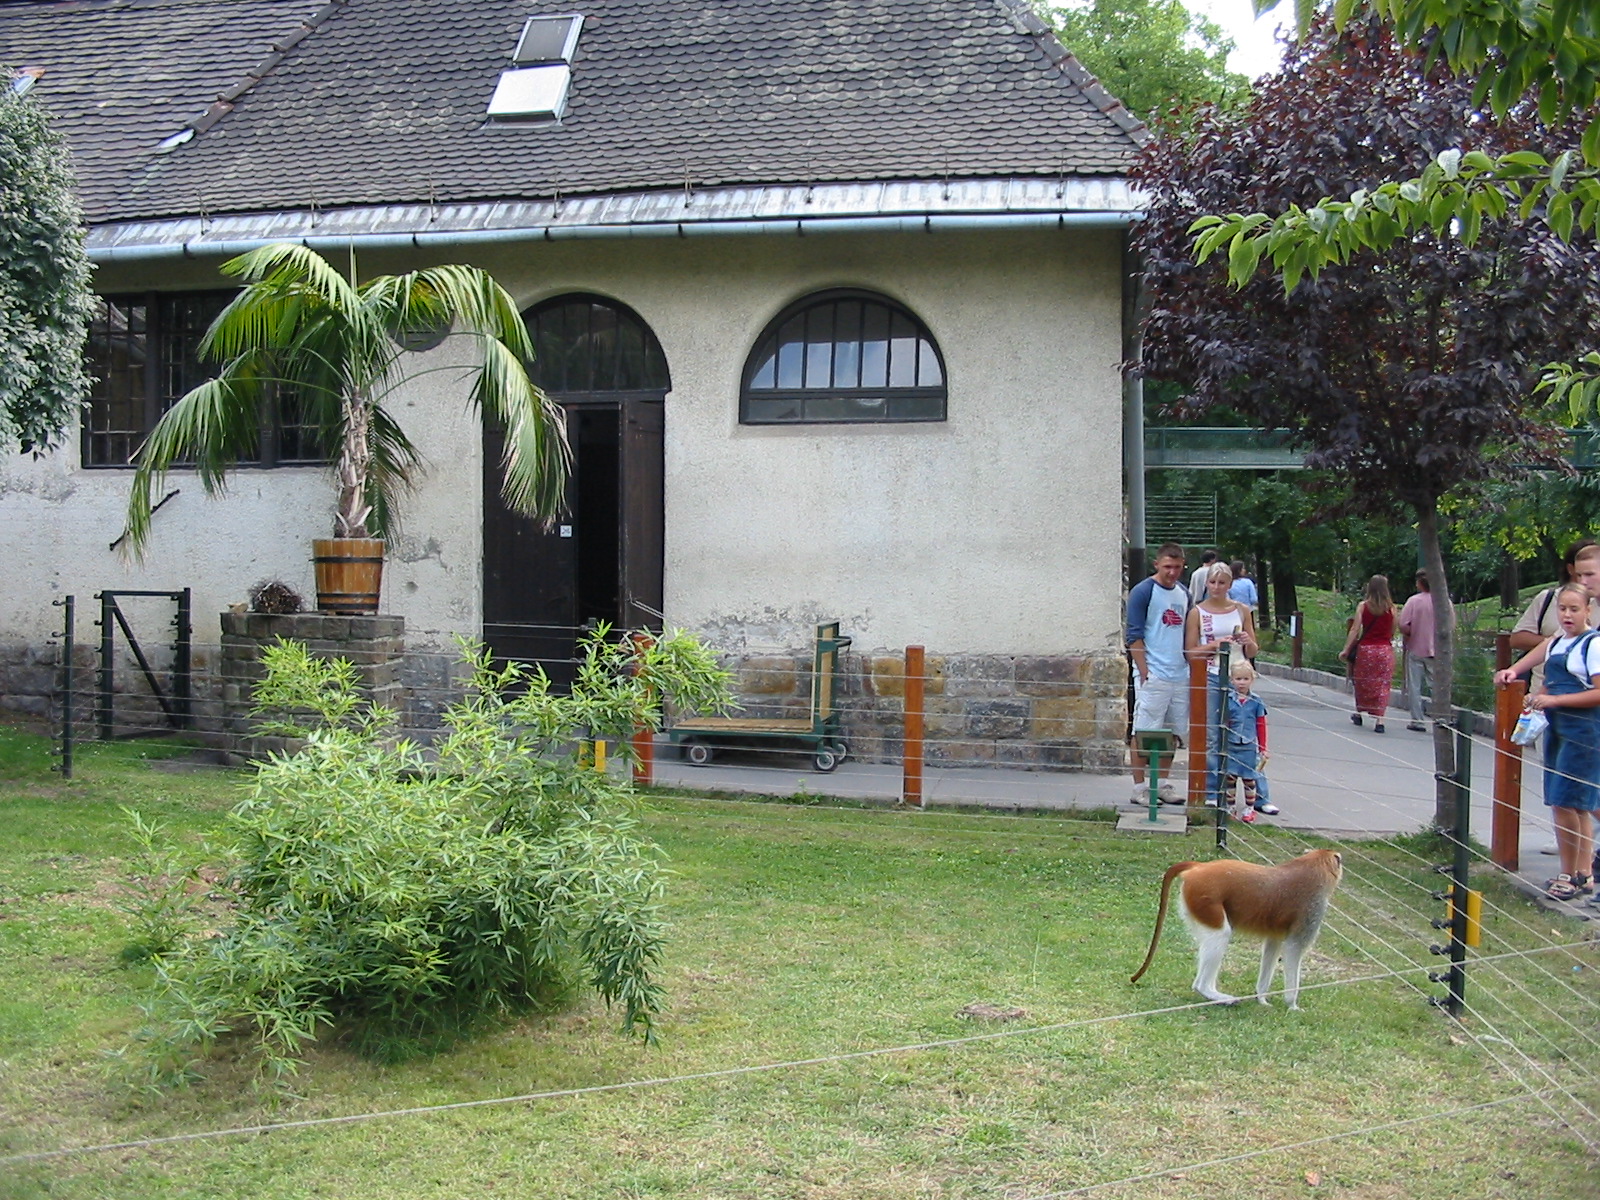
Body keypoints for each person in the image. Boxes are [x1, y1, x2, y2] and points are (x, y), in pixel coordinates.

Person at [1494, 583, 1600, 901]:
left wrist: (1553, 701)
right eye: (1562, 609)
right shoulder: (1557, 641)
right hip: (1557, 730)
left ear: (1588, 611)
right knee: (1565, 802)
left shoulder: (1592, 645)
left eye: (1574, 609)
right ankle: (1582, 873)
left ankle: (1573, 872)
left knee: (1570, 802)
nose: (1567, 615)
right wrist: (1515, 676)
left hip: (1584, 733)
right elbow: (1538, 662)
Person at [1128, 543, 1191, 805]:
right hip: (1154, 671)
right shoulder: (1144, 592)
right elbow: (1134, 634)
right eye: (1167, 567)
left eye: (1177, 567)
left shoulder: (1184, 594)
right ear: (1157, 565)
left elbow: (1188, 632)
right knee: (1144, 730)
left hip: (1179, 672)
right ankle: (1139, 787)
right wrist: (1145, 672)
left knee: (1172, 732)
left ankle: (1162, 782)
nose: (1172, 573)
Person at [1509, 538, 1600, 694]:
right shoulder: (1583, 605)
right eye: (1579, 575)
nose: (1583, 581)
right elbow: (1554, 641)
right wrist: (1514, 671)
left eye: (1589, 574)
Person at [1219, 659, 1277, 822]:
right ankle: (1230, 807)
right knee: (1230, 777)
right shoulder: (1227, 699)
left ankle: (1249, 808)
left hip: (1248, 746)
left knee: (1249, 778)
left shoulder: (1256, 701)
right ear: (1232, 680)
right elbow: (1223, 723)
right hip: (1231, 744)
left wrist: (1263, 747)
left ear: (1252, 679)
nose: (1242, 683)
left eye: (1245, 679)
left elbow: (1261, 724)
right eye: (1238, 679)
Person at [1338, 575, 1396, 733]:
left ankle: (1359, 713)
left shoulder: (1363, 606)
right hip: (1385, 650)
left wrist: (1346, 649)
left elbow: (1355, 630)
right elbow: (1392, 631)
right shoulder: (1391, 608)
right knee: (1383, 684)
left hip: (1366, 650)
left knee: (1363, 682)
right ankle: (1380, 720)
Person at [1397, 570, 1434, 732]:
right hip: (1437, 651)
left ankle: (1417, 720)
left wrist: (1411, 632)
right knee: (1437, 687)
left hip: (1416, 648)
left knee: (1415, 686)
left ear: (1419, 584)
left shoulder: (1413, 601)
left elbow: (1403, 624)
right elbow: (1451, 625)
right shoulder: (1444, 601)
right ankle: (1441, 717)